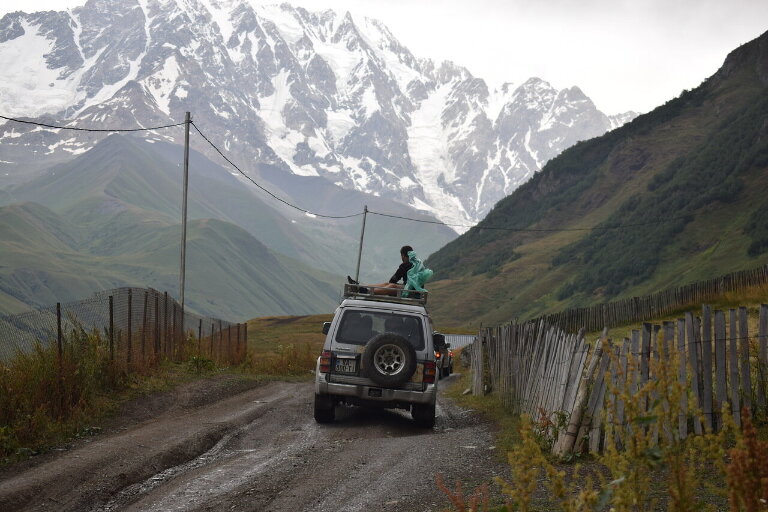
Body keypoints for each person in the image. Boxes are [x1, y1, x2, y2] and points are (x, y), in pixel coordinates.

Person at [348, 245, 432, 297]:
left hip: (411, 292)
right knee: (387, 284)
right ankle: (361, 287)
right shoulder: (417, 264)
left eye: (401, 255)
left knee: (391, 285)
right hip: (414, 291)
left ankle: (366, 290)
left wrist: (395, 283)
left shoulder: (404, 266)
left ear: (403, 255)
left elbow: (393, 280)